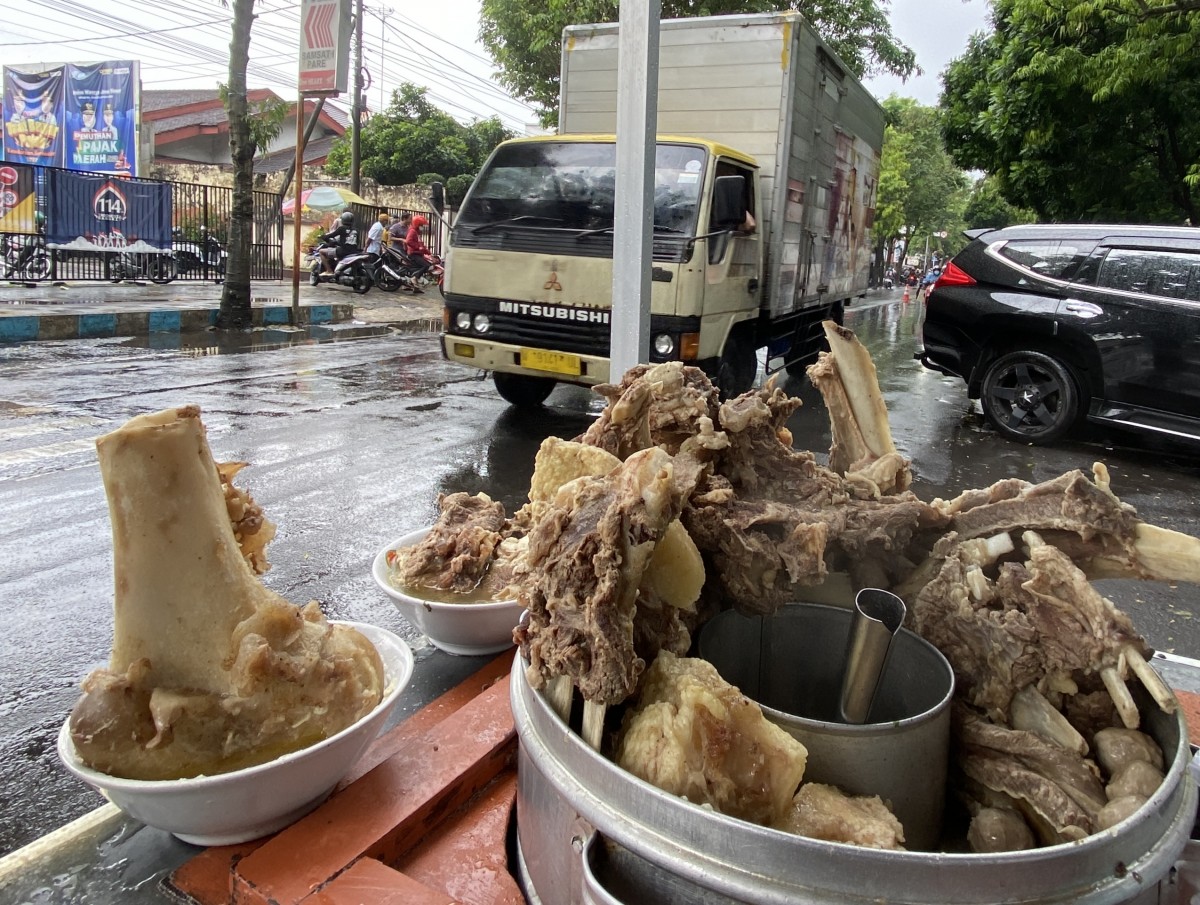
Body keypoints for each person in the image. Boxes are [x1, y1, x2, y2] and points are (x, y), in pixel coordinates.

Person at [317, 210, 358, 275]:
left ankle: (329, 270)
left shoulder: (342, 228)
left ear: (343, 220)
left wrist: (323, 236)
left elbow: (331, 235)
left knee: (321, 251)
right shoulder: (355, 230)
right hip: (353, 251)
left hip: (343, 251)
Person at [404, 214, 432, 292]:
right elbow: (408, 241)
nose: (422, 226)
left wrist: (428, 252)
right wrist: (418, 247)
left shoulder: (417, 232)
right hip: (413, 254)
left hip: (417, 253)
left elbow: (421, 244)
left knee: (423, 266)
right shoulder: (412, 231)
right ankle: (414, 277)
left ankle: (415, 286)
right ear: (417, 224)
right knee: (426, 265)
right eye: (421, 225)